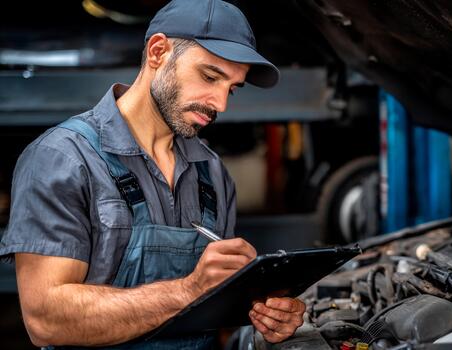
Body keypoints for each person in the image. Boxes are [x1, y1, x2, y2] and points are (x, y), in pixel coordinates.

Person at [0, 0, 306, 348]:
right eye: (210, 76)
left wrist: (259, 314)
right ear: (158, 51)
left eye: (232, 88)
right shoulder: (63, 159)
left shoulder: (212, 173)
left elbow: (215, 309)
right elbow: (46, 319)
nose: (221, 103)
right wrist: (189, 290)